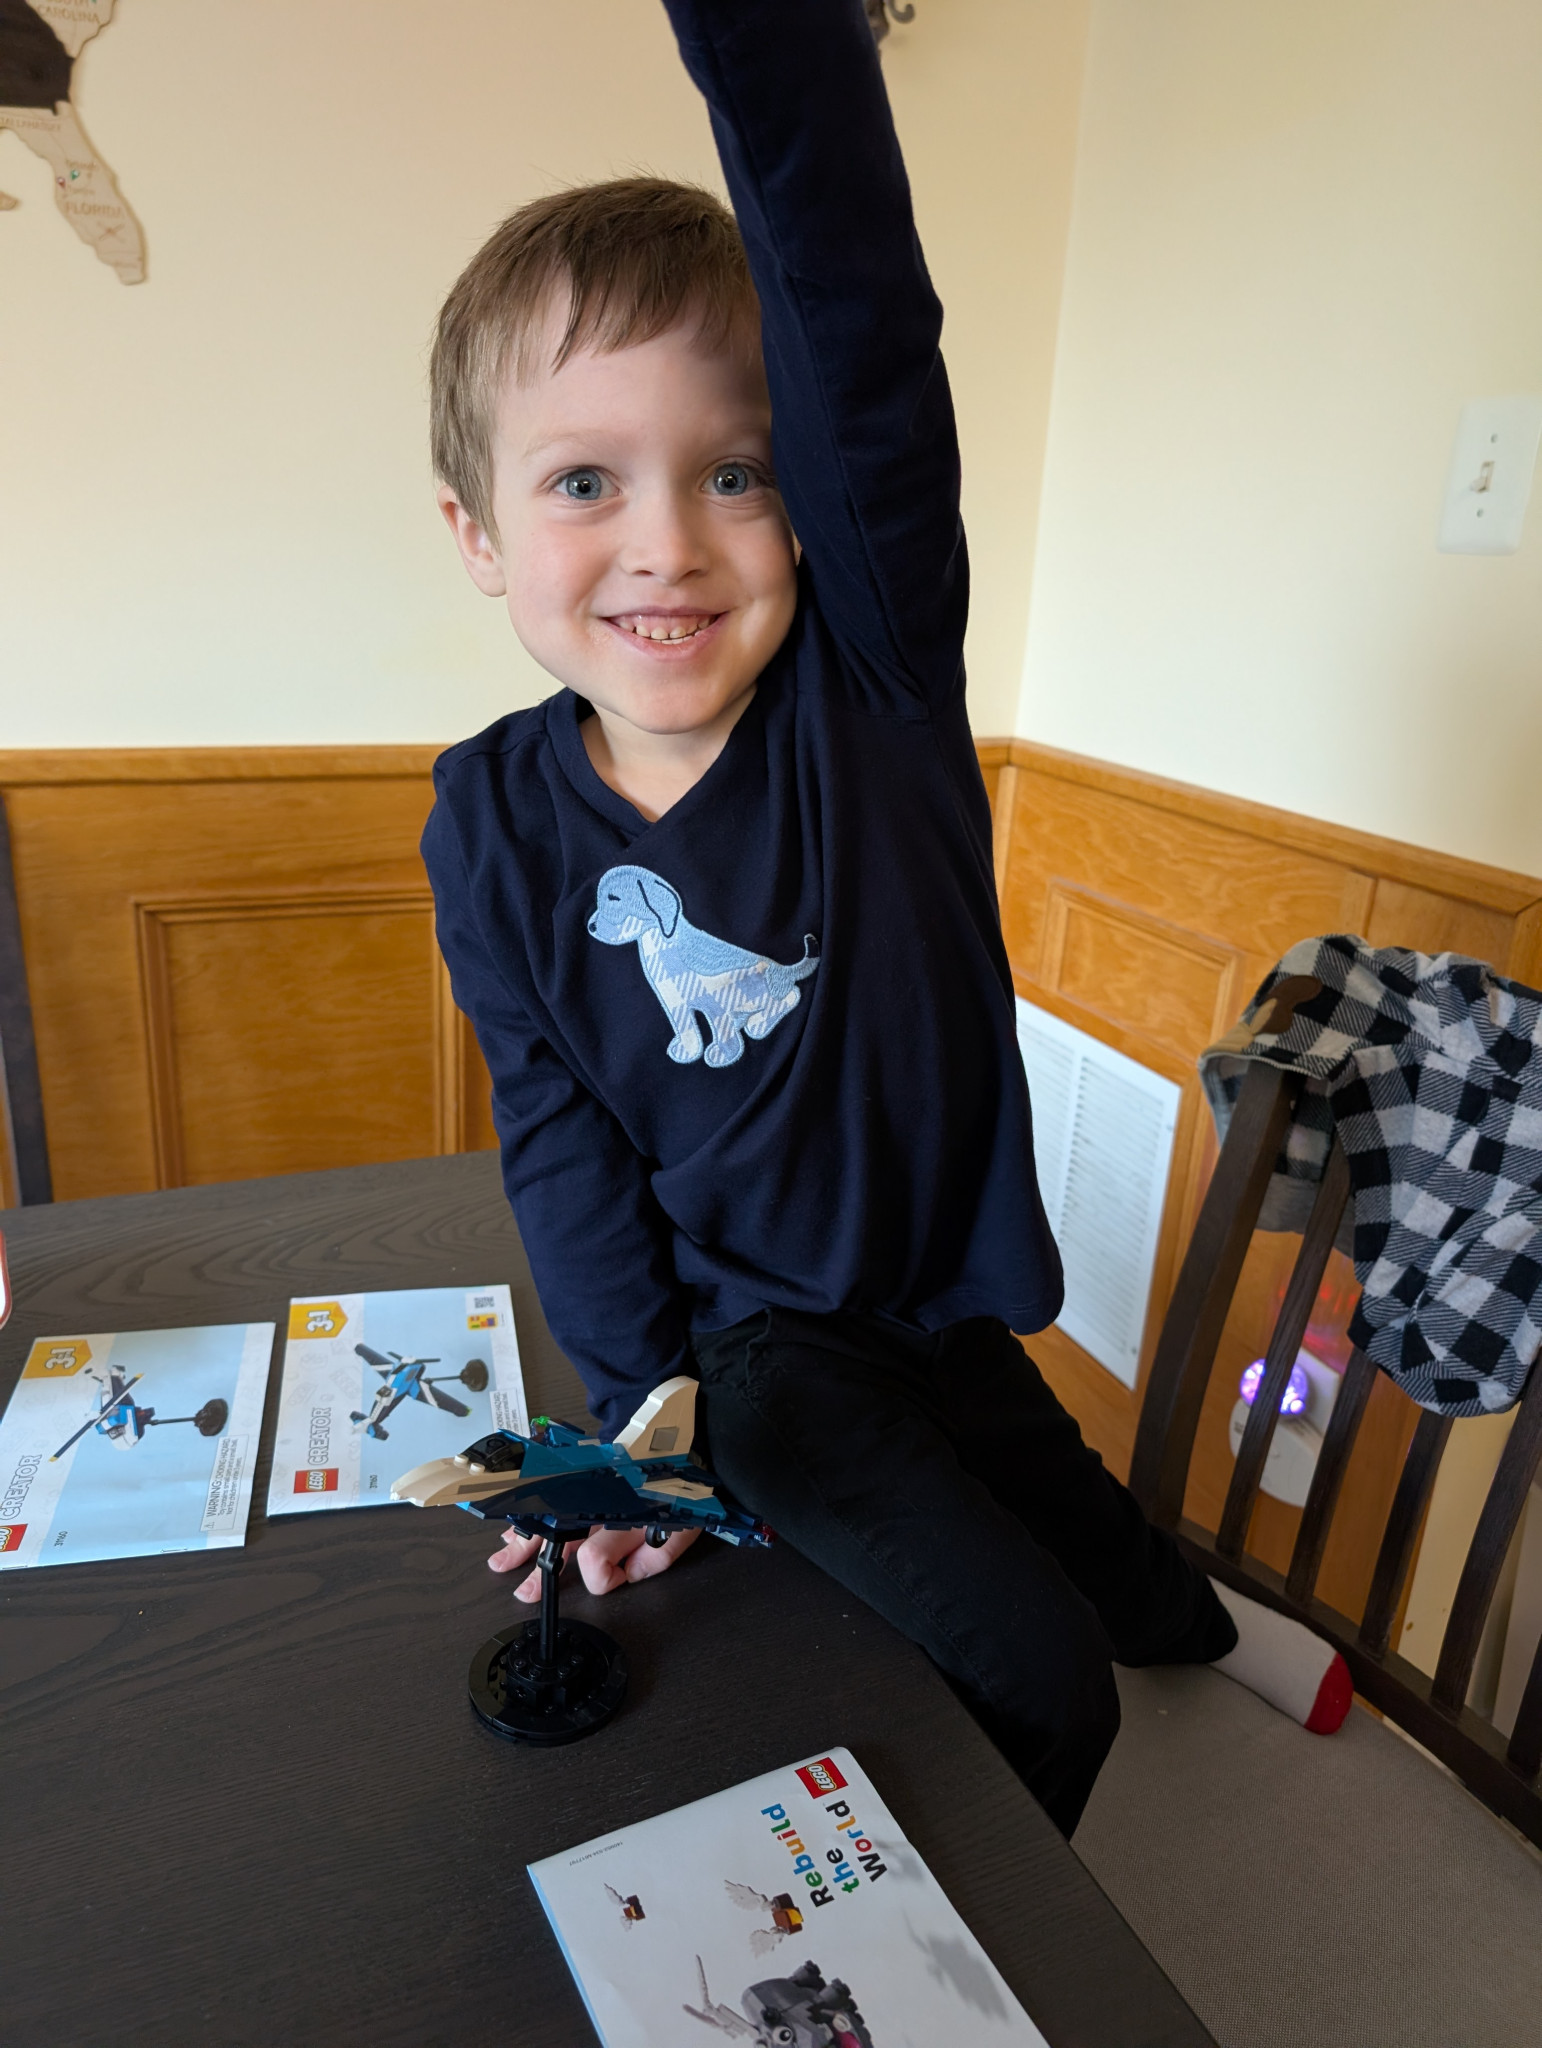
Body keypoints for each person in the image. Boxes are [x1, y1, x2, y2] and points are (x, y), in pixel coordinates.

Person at [422, 0, 1349, 1836]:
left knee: (1058, 1488)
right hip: (764, 1348)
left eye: (736, 472)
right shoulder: (489, 817)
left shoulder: (873, 688)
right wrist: (649, 1439)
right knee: (1034, 1675)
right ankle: (924, 1925)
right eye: (585, 482)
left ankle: (1189, 1622)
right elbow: (559, 1138)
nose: (667, 540)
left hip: (937, 1285)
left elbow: (856, 321)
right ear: (478, 535)